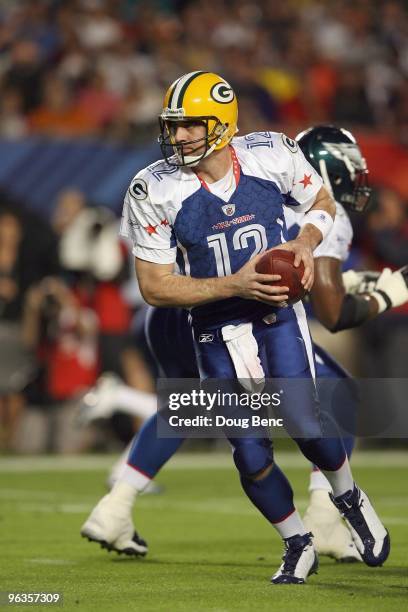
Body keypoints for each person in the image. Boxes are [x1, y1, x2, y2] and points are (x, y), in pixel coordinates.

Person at [81, 72, 390, 584]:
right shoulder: (153, 187)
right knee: (247, 453)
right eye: (172, 127)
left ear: (222, 126)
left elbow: (322, 205)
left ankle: (347, 496)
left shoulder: (273, 153)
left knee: (304, 420)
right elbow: (156, 286)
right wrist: (235, 285)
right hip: (213, 324)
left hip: (274, 314)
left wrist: (306, 244)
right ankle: (298, 542)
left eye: (189, 127)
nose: (177, 137)